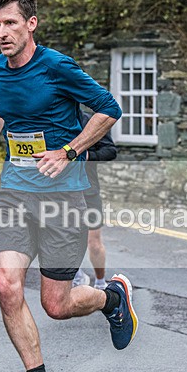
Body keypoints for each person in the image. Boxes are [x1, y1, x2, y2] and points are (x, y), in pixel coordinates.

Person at [0, 0, 138, 372]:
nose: (2, 32)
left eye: (10, 23)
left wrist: (68, 150)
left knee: (56, 305)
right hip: (14, 193)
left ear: (30, 25)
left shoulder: (57, 66)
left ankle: (111, 298)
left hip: (64, 199)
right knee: (6, 285)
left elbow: (108, 109)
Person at [73, 112, 117, 290]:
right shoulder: (52, 120)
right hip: (61, 191)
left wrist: (87, 156)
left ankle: (100, 282)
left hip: (88, 190)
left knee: (94, 242)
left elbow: (110, 150)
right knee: (67, 239)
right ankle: (77, 276)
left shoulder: (91, 121)